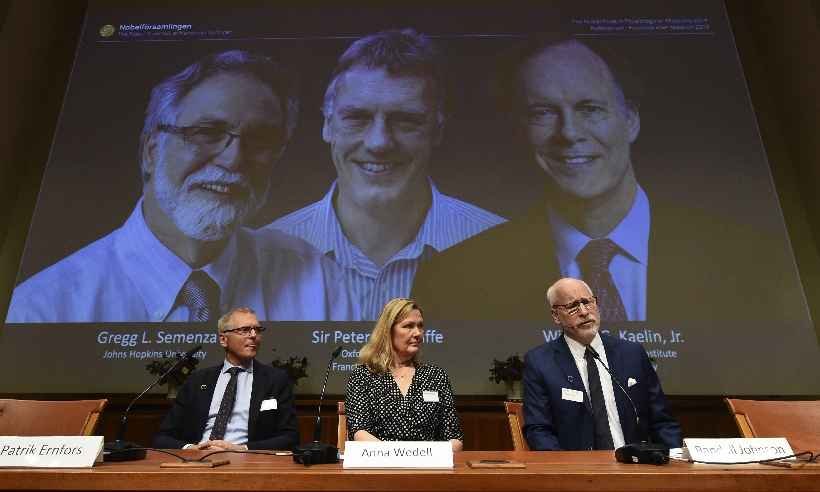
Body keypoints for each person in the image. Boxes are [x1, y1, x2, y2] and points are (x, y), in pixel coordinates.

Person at [411, 35, 790, 323]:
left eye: (590, 109)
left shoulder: (751, 261)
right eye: (544, 113)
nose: (569, 133)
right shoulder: (458, 279)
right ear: (520, 130)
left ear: (631, 120)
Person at [7, 50, 356, 322]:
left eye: (260, 140)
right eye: (206, 133)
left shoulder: (317, 282)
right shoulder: (44, 307)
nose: (233, 159)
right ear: (151, 150)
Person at [267, 29, 505, 320]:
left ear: (438, 131)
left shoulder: (506, 250)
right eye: (357, 118)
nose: (379, 143)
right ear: (327, 125)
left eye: (406, 121)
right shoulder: (261, 254)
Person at [523, 278, 681, 451]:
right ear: (555, 316)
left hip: (634, 466)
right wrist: (566, 471)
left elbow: (662, 420)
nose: (583, 312)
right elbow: (539, 430)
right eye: (572, 306)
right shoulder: (541, 362)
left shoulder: (632, 354)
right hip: (578, 470)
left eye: (587, 302)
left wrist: (675, 461)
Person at [153, 307, 298, 450]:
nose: (253, 335)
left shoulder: (276, 380)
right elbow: (163, 437)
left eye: (257, 330)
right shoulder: (198, 380)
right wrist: (191, 449)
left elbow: (290, 437)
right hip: (197, 460)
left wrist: (242, 449)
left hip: (246, 461)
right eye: (245, 330)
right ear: (223, 340)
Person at [344, 298, 463, 451]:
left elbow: (454, 438)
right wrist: (398, 458)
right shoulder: (363, 376)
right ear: (388, 331)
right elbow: (360, 433)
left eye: (420, 326)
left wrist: (426, 458)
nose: (418, 333)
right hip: (380, 467)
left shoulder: (435, 376)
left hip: (429, 468)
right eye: (408, 326)